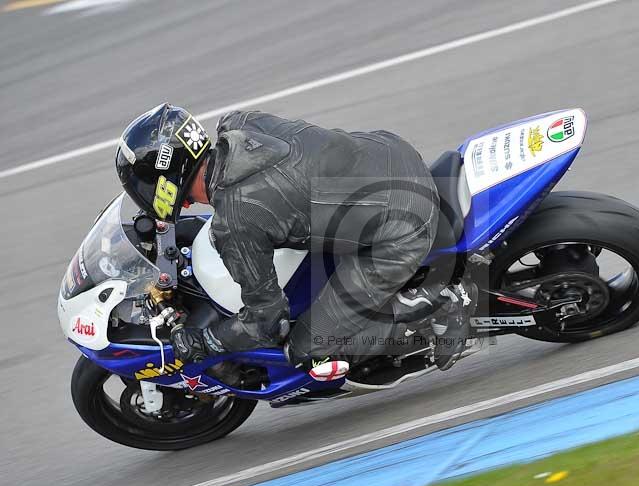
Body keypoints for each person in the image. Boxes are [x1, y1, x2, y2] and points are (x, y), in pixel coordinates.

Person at [115, 103, 474, 381]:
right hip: (391, 153)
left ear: (164, 180)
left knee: (306, 346)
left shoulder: (237, 220)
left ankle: (438, 310)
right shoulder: (240, 124)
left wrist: (206, 342)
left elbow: (266, 322)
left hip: (401, 229)